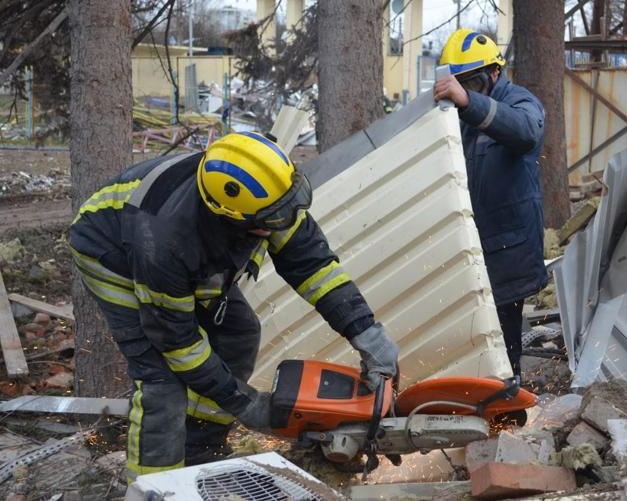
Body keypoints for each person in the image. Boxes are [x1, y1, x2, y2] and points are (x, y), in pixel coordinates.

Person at [69, 132, 398, 482]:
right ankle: (154, 486)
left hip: (183, 251)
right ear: (233, 219)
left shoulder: (268, 196)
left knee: (239, 332)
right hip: (110, 254)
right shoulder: (166, 245)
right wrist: (243, 403)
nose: (286, 219)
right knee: (161, 381)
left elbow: (313, 266)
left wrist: (366, 332)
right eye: (274, 219)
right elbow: (178, 346)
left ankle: (199, 448)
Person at [434, 28, 547, 383]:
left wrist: (469, 102)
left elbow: (526, 131)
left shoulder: (521, 103)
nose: (465, 92)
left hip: (508, 251)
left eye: (474, 84)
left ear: (495, 73)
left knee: (503, 338)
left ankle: (510, 411)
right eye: (461, 85)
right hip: (473, 248)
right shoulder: (456, 115)